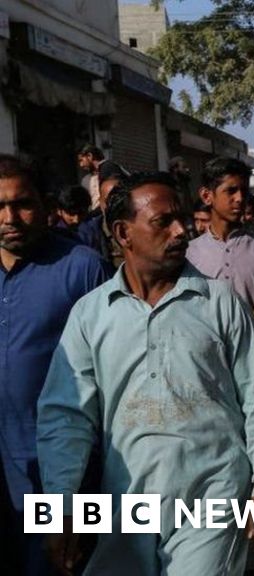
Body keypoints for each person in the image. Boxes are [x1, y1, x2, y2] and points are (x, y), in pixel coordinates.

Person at [37, 172, 254, 575]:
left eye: (182, 219)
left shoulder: (220, 302)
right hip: (127, 499)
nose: (180, 232)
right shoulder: (91, 314)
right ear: (123, 233)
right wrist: (59, 505)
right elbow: (66, 415)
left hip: (215, 493)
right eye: (163, 222)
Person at [0, 155, 109, 575]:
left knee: (60, 564)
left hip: (66, 469)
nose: (10, 218)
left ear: (45, 205)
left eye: (22, 204)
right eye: (0, 206)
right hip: (7, 469)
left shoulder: (82, 268)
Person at [186, 157, 254, 309]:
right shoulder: (190, 252)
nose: (240, 198)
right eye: (231, 191)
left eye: (244, 191)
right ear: (207, 196)